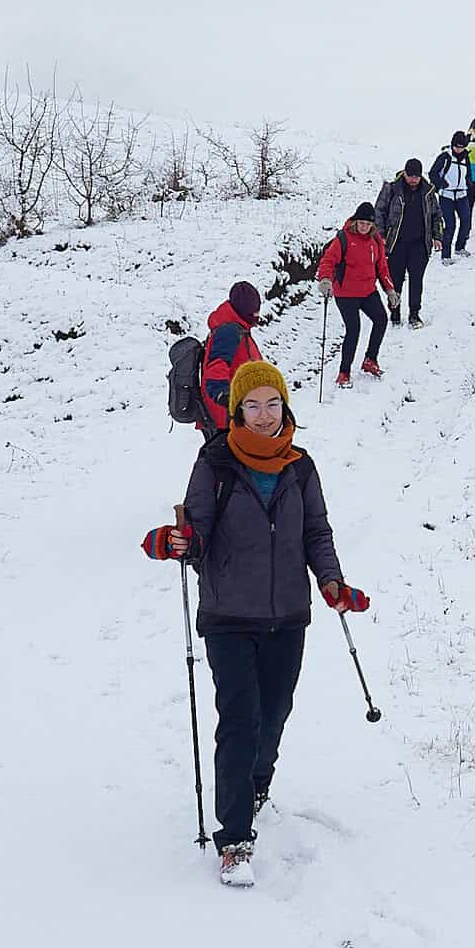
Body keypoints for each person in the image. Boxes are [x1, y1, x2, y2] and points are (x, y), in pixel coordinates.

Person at [141, 360, 370, 888]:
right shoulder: (216, 462)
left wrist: (332, 582)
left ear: (283, 405)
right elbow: (194, 533)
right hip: (228, 615)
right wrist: (173, 542)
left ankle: (257, 781)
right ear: (237, 409)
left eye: (272, 403)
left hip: (288, 615)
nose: (263, 415)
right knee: (240, 721)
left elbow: (317, 531)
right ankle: (236, 838)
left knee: (274, 715)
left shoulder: (300, 465)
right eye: (252, 405)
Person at [314, 201, 395, 385]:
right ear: (355, 222)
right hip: (346, 293)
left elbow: (382, 267)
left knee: (381, 319)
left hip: (368, 291)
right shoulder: (343, 238)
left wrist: (389, 289)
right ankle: (344, 372)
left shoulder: (376, 241)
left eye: (368, 224)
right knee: (354, 330)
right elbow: (328, 260)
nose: (364, 227)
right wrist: (325, 280)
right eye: (361, 223)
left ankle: (370, 359)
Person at [375, 158, 441, 330]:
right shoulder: (391, 189)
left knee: (416, 280)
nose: (413, 179)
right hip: (396, 243)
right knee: (395, 280)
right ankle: (394, 312)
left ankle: (414, 313)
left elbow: (436, 215)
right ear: (404, 173)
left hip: (420, 244)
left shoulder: (428, 192)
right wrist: (380, 235)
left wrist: (437, 236)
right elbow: (379, 212)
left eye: (416, 176)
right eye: (410, 175)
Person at [198, 280, 264, 436]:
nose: (257, 315)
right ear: (242, 310)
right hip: (226, 418)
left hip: (239, 412)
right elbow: (216, 365)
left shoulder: (238, 327)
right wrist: (223, 395)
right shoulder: (229, 331)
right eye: (253, 312)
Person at [429, 132, 475, 261]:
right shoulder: (445, 157)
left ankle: (460, 247)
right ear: (452, 144)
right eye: (457, 147)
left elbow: (468, 173)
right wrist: (441, 184)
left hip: (462, 195)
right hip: (446, 196)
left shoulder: (466, 157)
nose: (459, 149)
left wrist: (469, 182)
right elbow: (433, 173)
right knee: (450, 225)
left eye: (462, 147)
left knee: (466, 221)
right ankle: (446, 254)